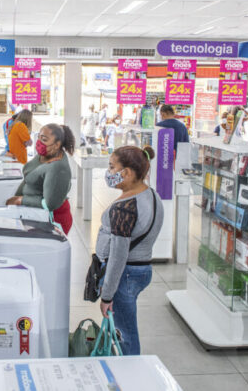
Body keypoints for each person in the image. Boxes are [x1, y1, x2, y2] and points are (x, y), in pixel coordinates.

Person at [95, 146, 163, 355]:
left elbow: (118, 255)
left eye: (112, 167)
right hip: (140, 270)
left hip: (124, 275)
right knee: (124, 329)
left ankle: (131, 375)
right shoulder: (149, 194)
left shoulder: (125, 208)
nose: (109, 173)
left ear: (127, 172)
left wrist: (107, 295)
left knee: (125, 335)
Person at [6, 123, 75, 233]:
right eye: (39, 137)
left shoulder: (58, 167)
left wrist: (20, 200)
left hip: (53, 219)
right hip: (35, 214)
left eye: (44, 139)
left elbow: (49, 204)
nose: (38, 142)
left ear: (57, 144)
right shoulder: (45, 154)